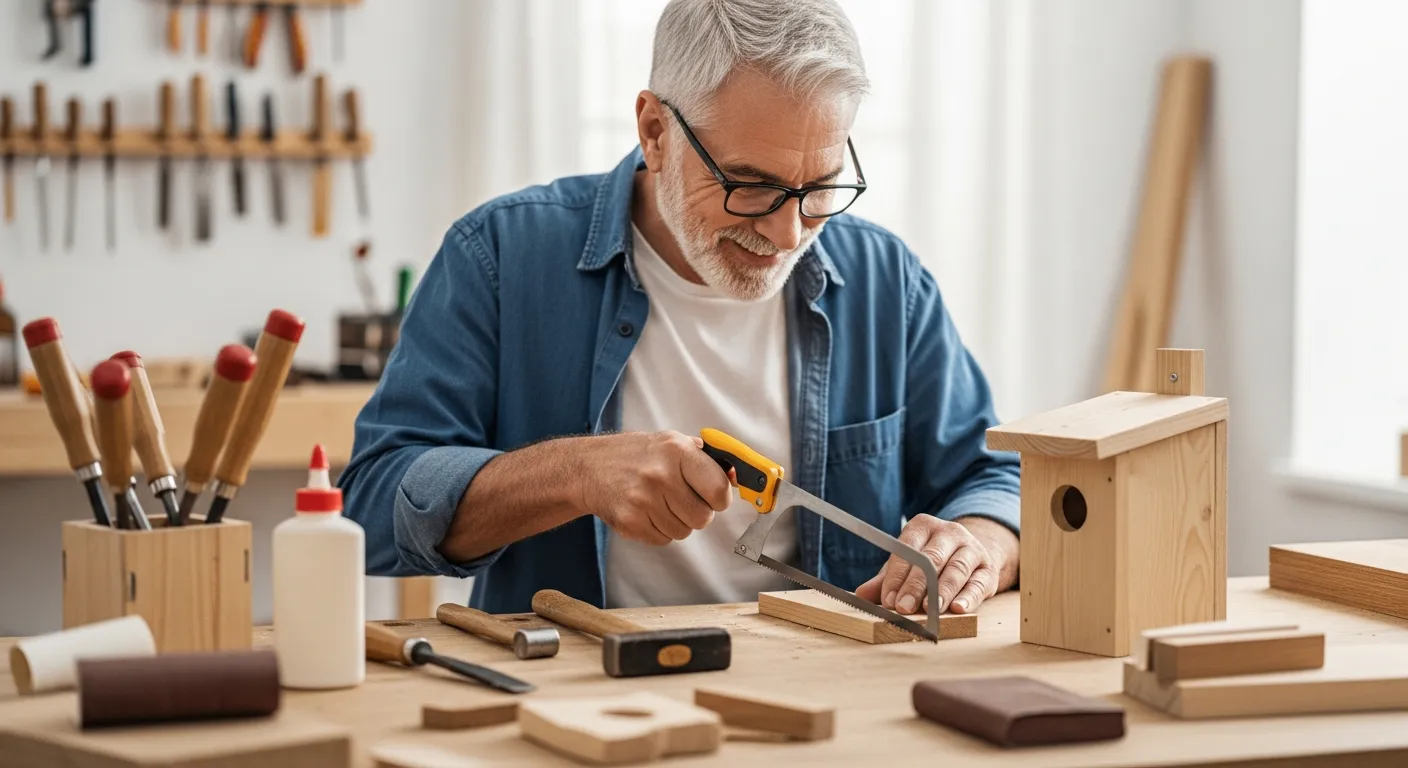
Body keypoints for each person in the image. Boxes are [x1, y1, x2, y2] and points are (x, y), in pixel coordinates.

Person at [339, 0, 1021, 620]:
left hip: (822, 688)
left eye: (820, 187)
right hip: (571, 695)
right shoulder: (498, 255)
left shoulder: (884, 278)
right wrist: (577, 475)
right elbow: (371, 510)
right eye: (750, 186)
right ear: (655, 130)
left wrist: (979, 545)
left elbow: (994, 478)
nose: (788, 235)